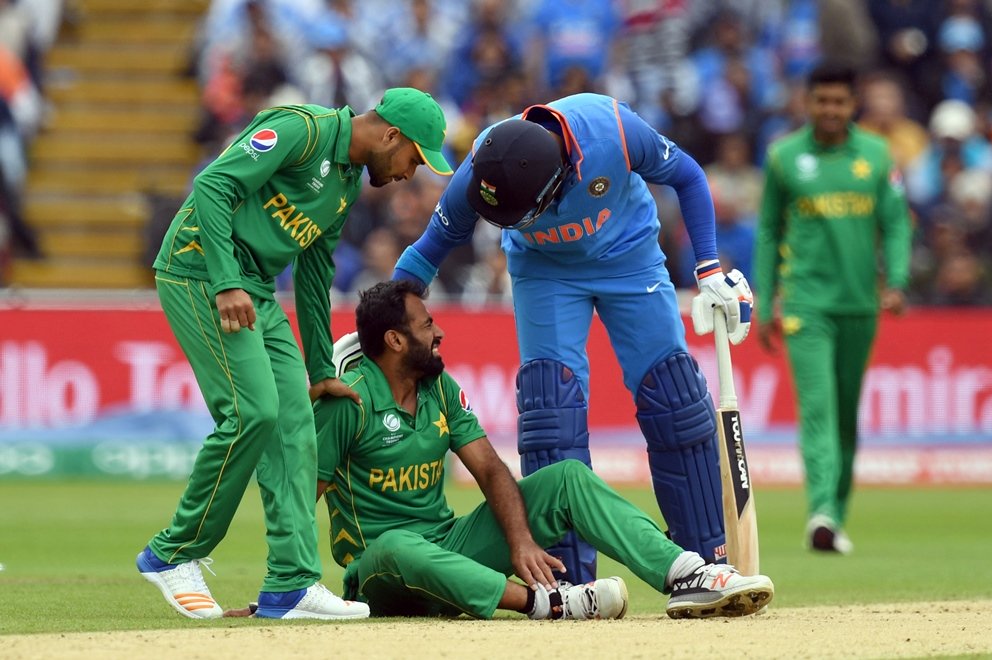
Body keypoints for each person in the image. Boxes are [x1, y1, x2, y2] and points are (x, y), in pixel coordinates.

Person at [390, 92, 754, 584]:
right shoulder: (483, 165)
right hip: (544, 272)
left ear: (560, 182)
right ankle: (572, 582)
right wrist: (379, 324)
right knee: (550, 413)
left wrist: (708, 266)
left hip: (629, 256)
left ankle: (706, 565)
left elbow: (686, 174)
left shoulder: (616, 132)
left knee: (675, 401)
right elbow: (427, 252)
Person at [136, 87, 453, 620]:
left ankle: (291, 585)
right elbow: (213, 185)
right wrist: (226, 280)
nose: (409, 173)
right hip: (200, 273)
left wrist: (322, 370)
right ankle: (173, 552)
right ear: (391, 135)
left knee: (297, 426)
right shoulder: (300, 130)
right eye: (413, 158)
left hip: (254, 287)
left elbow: (313, 273)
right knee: (251, 412)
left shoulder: (347, 183)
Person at [305, 280, 774, 620]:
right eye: (427, 325)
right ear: (394, 340)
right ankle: (548, 603)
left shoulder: (439, 389)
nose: (439, 333)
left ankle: (686, 574)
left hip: (447, 545)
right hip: (378, 571)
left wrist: (520, 541)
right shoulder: (349, 402)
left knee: (565, 477)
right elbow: (304, 498)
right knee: (396, 545)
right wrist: (287, 587)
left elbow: (489, 470)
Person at [754, 62, 912, 553]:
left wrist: (899, 280)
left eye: (839, 102)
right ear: (808, 102)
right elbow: (768, 232)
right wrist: (765, 302)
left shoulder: (877, 154)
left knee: (846, 417)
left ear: (852, 105)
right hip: (806, 303)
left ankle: (835, 518)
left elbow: (898, 222)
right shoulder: (784, 157)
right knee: (818, 409)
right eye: (821, 100)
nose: (830, 110)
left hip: (859, 303)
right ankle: (820, 508)